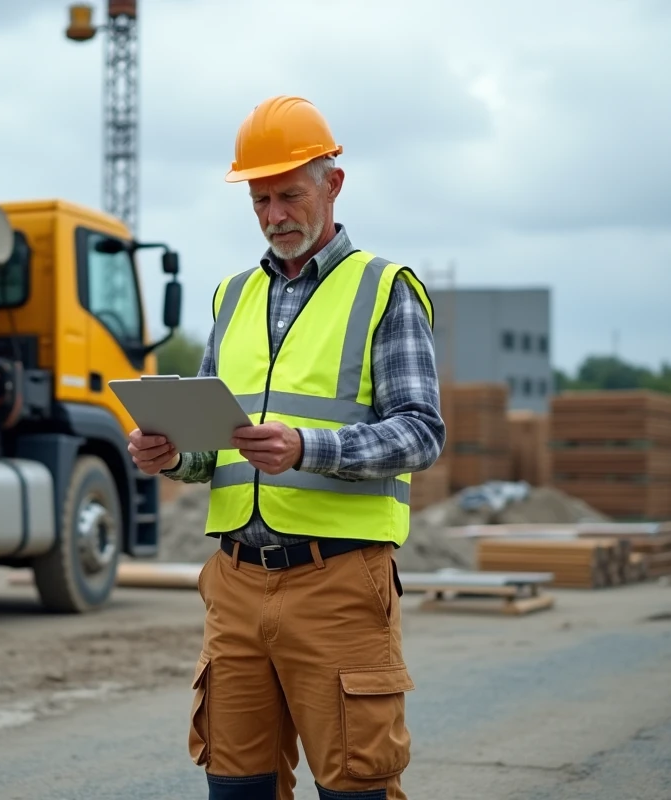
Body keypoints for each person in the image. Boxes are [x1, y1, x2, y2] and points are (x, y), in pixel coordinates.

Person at [127, 95, 446, 800]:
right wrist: (171, 455)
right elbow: (213, 448)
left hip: (337, 584)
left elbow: (422, 432)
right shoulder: (232, 297)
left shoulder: (383, 290)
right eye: (260, 199)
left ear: (333, 184)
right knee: (236, 789)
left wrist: (309, 448)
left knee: (355, 787)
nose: (276, 215)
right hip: (236, 584)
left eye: (290, 195)